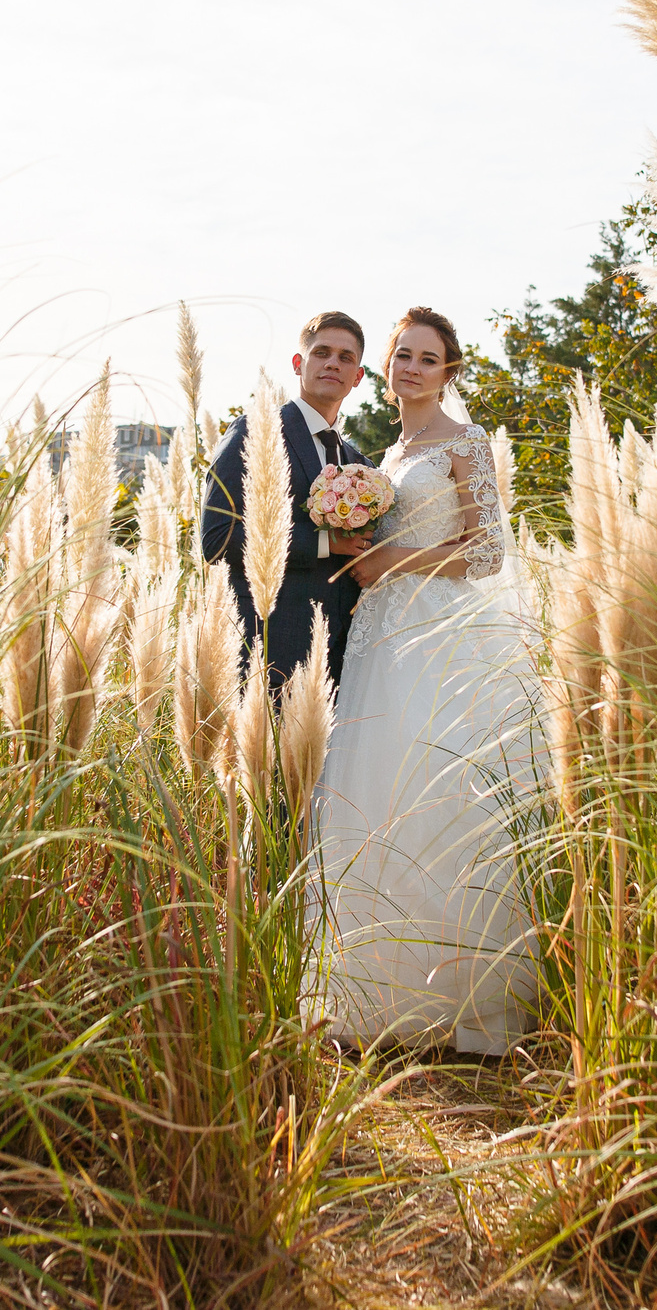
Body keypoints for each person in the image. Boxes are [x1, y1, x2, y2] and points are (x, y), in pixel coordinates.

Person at [314, 306, 540, 1055]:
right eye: (402, 354)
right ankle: (375, 996)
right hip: (379, 637)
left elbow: (487, 554)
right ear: (388, 366)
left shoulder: (463, 442)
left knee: (443, 788)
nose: (411, 366)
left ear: (449, 371)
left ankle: (461, 999)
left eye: (427, 357)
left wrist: (392, 562)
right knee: (375, 791)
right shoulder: (383, 452)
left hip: (440, 628)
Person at [198, 312, 374, 688]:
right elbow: (216, 538)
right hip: (266, 644)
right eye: (321, 352)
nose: (332, 363)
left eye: (346, 357)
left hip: (340, 659)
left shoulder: (360, 465)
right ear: (299, 364)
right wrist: (326, 543)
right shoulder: (255, 432)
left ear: (357, 377)